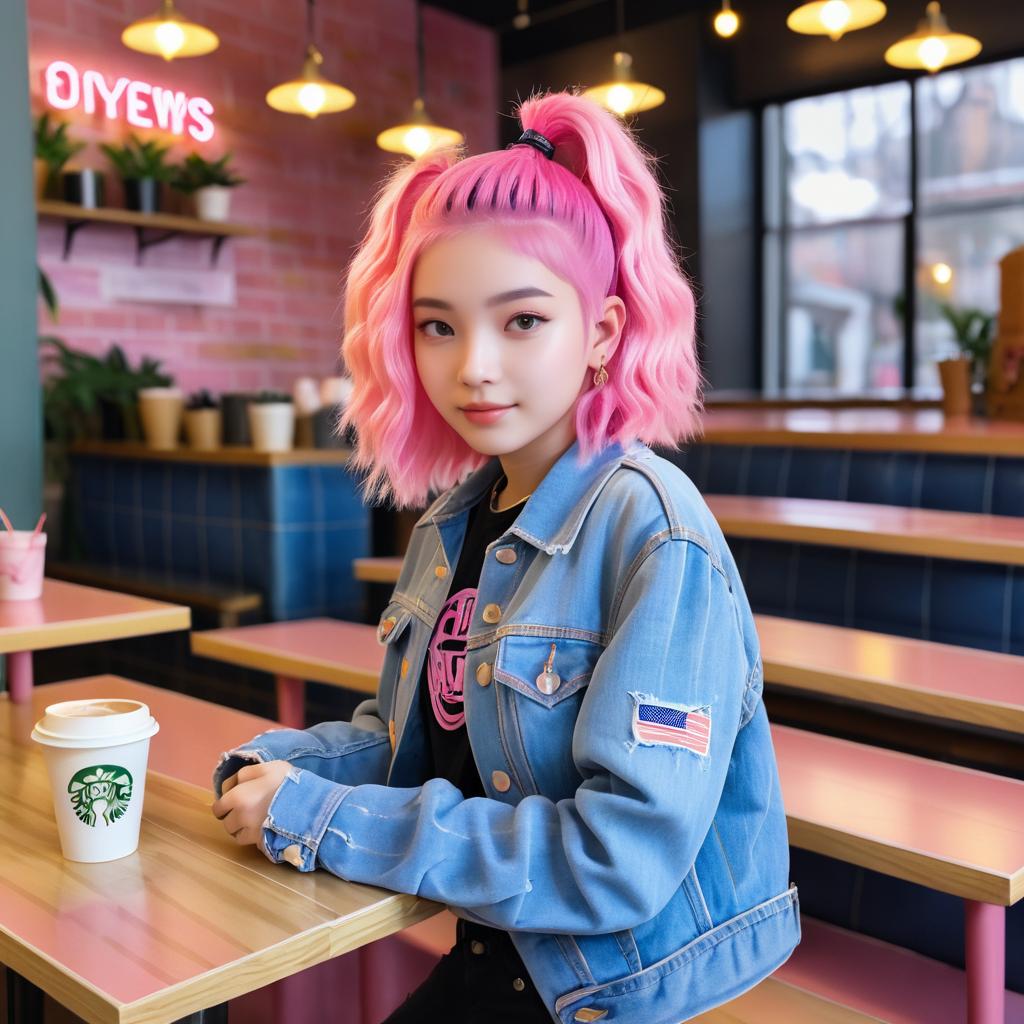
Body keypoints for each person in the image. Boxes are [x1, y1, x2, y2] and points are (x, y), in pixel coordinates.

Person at [211, 90, 799, 1024]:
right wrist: (280, 769)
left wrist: (324, 819)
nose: (472, 365)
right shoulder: (456, 520)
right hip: (504, 952)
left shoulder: (656, 532)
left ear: (601, 333)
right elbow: (410, 749)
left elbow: (618, 862)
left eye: (521, 321)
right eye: (437, 326)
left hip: (608, 988)